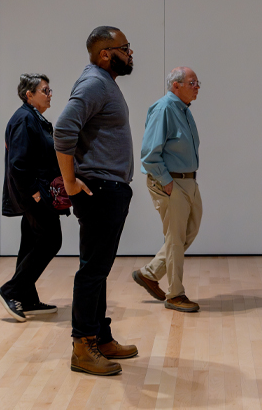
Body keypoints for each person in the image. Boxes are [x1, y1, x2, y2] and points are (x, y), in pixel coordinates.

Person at [54, 26, 138, 376]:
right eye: (125, 48)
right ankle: (83, 346)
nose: (131, 54)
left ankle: (100, 338)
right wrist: (70, 180)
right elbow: (63, 129)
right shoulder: (94, 83)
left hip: (110, 189)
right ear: (105, 53)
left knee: (98, 269)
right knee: (92, 271)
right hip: (100, 191)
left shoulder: (103, 82)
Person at [132, 67, 203, 313]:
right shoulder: (164, 109)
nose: (197, 87)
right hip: (171, 182)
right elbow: (149, 154)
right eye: (192, 82)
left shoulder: (183, 110)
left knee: (189, 231)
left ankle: (149, 273)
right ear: (176, 85)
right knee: (175, 239)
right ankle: (175, 295)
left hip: (188, 181)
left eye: (197, 82)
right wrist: (167, 182)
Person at [0, 73, 65, 322]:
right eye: (45, 90)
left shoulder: (34, 118)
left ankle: (26, 298)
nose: (49, 94)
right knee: (51, 240)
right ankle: (10, 291)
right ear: (29, 94)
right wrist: (35, 193)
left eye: (49, 90)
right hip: (33, 195)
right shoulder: (24, 119)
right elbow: (18, 163)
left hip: (36, 193)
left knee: (30, 244)